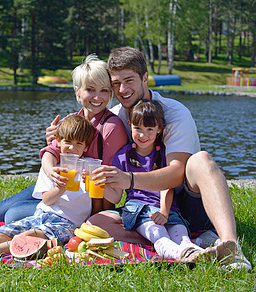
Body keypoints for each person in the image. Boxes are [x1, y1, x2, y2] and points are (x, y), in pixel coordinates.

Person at [84, 46, 250, 270]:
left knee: (201, 160)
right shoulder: (116, 117)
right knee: (96, 224)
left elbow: (176, 175)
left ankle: (231, 247)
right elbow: (85, 132)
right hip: (144, 209)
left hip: (186, 205)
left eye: (129, 80)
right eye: (115, 83)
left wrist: (129, 180)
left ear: (145, 78)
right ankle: (184, 244)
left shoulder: (174, 112)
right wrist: (57, 139)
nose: (122, 89)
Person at [0, 54, 128, 223]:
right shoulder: (71, 119)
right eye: (90, 90)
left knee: (12, 215)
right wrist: (51, 172)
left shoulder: (111, 127)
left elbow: (111, 182)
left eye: (104, 90)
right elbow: (51, 151)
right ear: (77, 91)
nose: (97, 97)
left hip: (80, 202)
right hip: (58, 186)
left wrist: (97, 218)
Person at [0, 115, 96, 258]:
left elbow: (103, 197)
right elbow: (46, 200)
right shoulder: (52, 168)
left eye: (78, 144)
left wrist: (93, 181)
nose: (72, 148)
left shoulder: (88, 169)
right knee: (9, 231)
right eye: (67, 142)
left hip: (67, 223)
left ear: (86, 147)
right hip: (41, 214)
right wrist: (60, 188)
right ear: (58, 141)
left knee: (28, 236)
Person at [104, 99, 235, 262]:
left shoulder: (163, 154)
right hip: (139, 209)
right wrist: (99, 186)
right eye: (138, 128)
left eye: (149, 129)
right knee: (158, 234)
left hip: (169, 209)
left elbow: (167, 185)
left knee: (181, 234)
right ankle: (182, 255)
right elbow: (116, 197)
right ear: (130, 125)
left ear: (159, 129)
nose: (143, 135)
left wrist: (164, 212)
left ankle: (192, 248)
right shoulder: (123, 156)